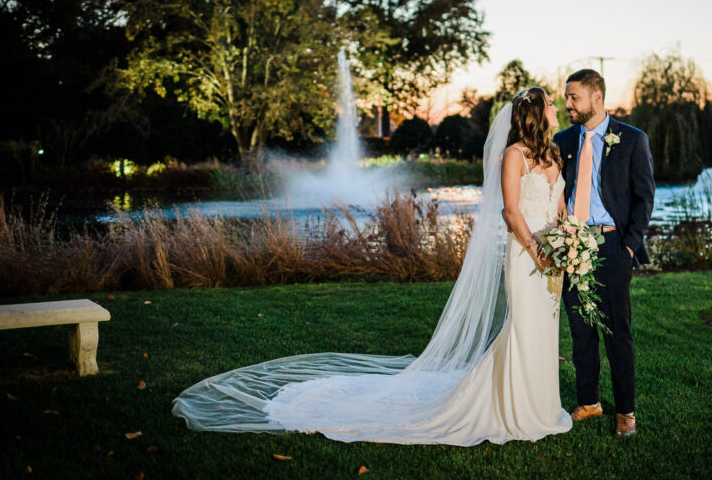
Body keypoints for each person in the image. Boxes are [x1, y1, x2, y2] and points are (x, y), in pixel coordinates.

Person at [171, 87, 572, 445]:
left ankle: (540, 405)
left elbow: (558, 208)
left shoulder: (554, 154)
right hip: (526, 256)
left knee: (545, 329)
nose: (557, 108)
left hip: (553, 256)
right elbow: (511, 213)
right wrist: (538, 251)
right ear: (535, 114)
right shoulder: (513, 155)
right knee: (522, 326)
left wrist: (570, 242)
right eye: (551, 104)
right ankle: (514, 409)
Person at [554, 69, 655, 437]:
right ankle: (589, 402)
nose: (567, 104)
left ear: (596, 97)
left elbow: (645, 198)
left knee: (617, 332)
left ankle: (625, 411)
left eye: (574, 98)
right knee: (580, 330)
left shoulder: (631, 139)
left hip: (612, 245)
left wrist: (629, 245)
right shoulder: (562, 140)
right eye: (566, 98)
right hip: (572, 243)